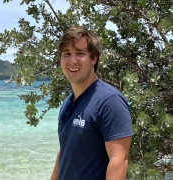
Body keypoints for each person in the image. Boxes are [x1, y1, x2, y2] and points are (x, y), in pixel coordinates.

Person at [50, 26, 133, 180]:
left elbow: (119, 160)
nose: (72, 61)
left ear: (93, 58)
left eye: (80, 53)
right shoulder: (68, 102)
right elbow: (65, 151)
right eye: (66, 54)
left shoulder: (110, 101)